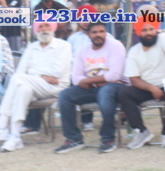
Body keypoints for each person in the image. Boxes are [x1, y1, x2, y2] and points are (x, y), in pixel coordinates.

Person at [0, 20, 72, 151]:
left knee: (17, 79)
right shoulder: (31, 47)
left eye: (47, 25)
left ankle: (1, 125)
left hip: (56, 87)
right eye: (40, 26)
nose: (44, 29)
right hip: (34, 85)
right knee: (23, 89)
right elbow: (20, 70)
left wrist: (32, 73)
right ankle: (15, 137)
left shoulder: (64, 46)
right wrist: (42, 76)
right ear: (36, 30)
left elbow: (57, 73)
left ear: (53, 28)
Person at [55, 21, 128, 154]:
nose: (98, 35)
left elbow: (115, 75)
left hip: (115, 87)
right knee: (65, 95)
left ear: (106, 33)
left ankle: (107, 139)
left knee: (105, 93)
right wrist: (97, 82)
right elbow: (76, 78)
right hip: (93, 87)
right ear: (88, 34)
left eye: (101, 31)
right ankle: (73, 139)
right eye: (94, 32)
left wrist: (89, 80)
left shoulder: (115, 45)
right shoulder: (82, 50)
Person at [119, 19, 165, 150]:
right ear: (138, 32)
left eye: (151, 29)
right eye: (144, 30)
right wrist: (152, 88)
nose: (149, 33)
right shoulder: (134, 51)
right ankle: (141, 131)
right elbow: (134, 79)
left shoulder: (164, 39)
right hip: (146, 88)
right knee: (124, 93)